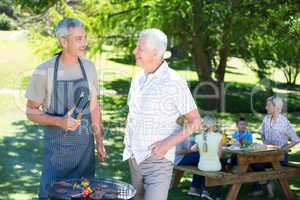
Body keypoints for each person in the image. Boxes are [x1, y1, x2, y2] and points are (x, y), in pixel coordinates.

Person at [25, 18, 106, 199]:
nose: (84, 43)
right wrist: (60, 121)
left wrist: (99, 140)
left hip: (84, 157)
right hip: (56, 158)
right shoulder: (44, 71)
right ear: (63, 41)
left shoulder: (89, 68)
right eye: (78, 38)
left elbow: (94, 106)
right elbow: (30, 111)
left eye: (85, 37)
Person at [122, 28, 202, 200]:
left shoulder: (174, 81)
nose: (134, 51)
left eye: (140, 48)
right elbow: (133, 112)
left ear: (156, 53)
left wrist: (167, 144)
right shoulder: (137, 78)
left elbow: (195, 121)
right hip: (134, 158)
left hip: (158, 161)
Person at [250, 96, 300, 198]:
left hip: (280, 157)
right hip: (266, 154)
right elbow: (262, 134)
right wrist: (264, 145)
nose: (266, 107)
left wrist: (283, 149)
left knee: (257, 163)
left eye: (268, 105)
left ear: (276, 107)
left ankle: (262, 185)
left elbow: (296, 139)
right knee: (252, 161)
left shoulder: (284, 122)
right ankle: (267, 183)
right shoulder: (266, 118)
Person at [191, 116, 222, 200]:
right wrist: (216, 161)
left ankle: (205, 191)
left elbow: (192, 149)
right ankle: (217, 197)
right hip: (215, 165)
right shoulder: (219, 136)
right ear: (213, 125)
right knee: (217, 172)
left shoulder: (198, 137)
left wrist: (197, 145)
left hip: (202, 166)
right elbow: (219, 153)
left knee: (205, 170)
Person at [174, 116, 201, 197]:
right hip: (178, 160)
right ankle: (195, 188)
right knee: (202, 157)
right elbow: (177, 151)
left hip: (175, 159)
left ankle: (195, 188)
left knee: (200, 160)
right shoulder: (180, 131)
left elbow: (186, 144)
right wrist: (192, 150)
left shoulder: (177, 128)